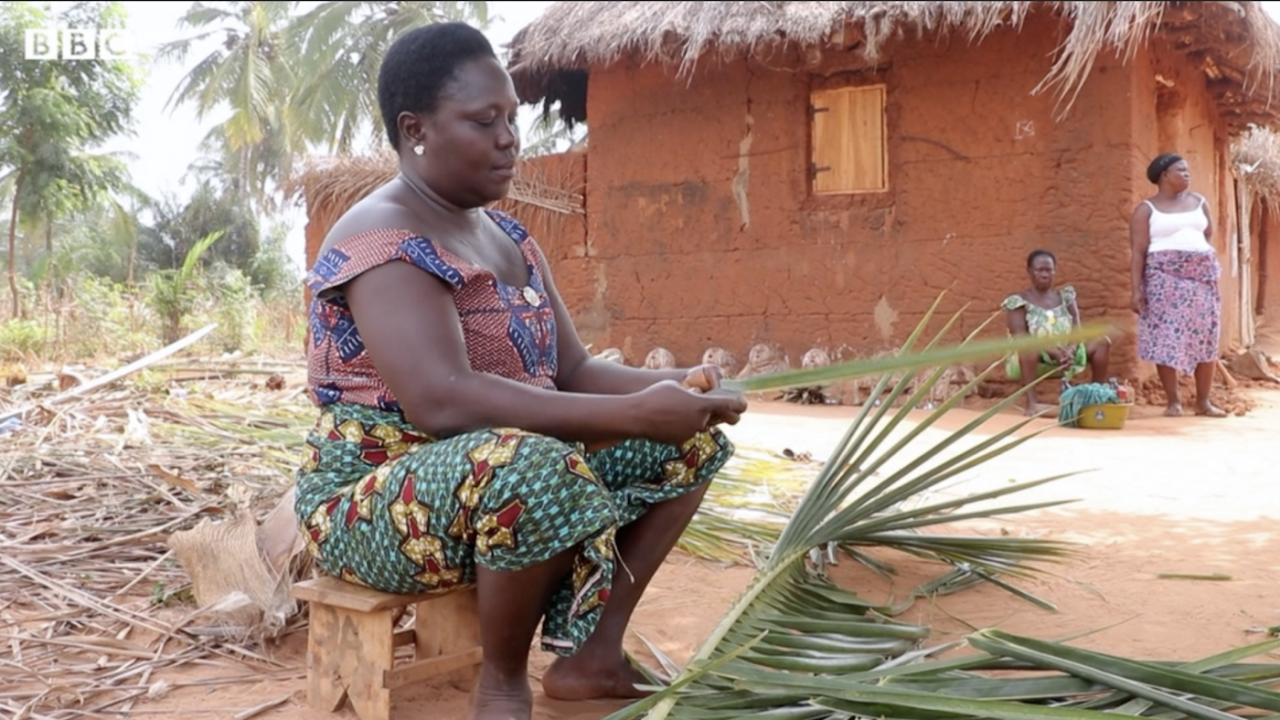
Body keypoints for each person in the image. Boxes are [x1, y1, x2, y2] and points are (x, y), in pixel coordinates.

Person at [294, 22, 748, 720]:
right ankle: (501, 684)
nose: (510, 138)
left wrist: (684, 387)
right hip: (371, 502)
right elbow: (441, 401)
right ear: (415, 130)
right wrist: (633, 413)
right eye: (485, 121)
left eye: (512, 118)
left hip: (487, 468)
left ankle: (593, 654)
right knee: (531, 467)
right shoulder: (381, 237)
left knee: (689, 442)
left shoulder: (505, 236)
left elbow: (573, 370)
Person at [1129, 153, 1227, 417]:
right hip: (1164, 279)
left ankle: (1203, 402)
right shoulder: (1146, 210)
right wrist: (1136, 290)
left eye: (1187, 170)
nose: (1187, 174)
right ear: (1164, 175)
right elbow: (1138, 252)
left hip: (1201, 279)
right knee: (1166, 338)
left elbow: (1207, 236)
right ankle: (1173, 402)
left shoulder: (1199, 202)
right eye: (1180, 170)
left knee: (1207, 336)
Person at [1003, 249, 1111, 416]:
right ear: (1029, 271)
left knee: (1102, 342)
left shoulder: (1066, 297)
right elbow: (1020, 336)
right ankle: (1032, 403)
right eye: (1040, 270)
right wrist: (1053, 352)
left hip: (1067, 355)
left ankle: (1096, 396)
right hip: (1035, 356)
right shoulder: (1018, 301)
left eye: (1049, 270)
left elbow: (1077, 329)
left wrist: (1071, 349)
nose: (1045, 274)